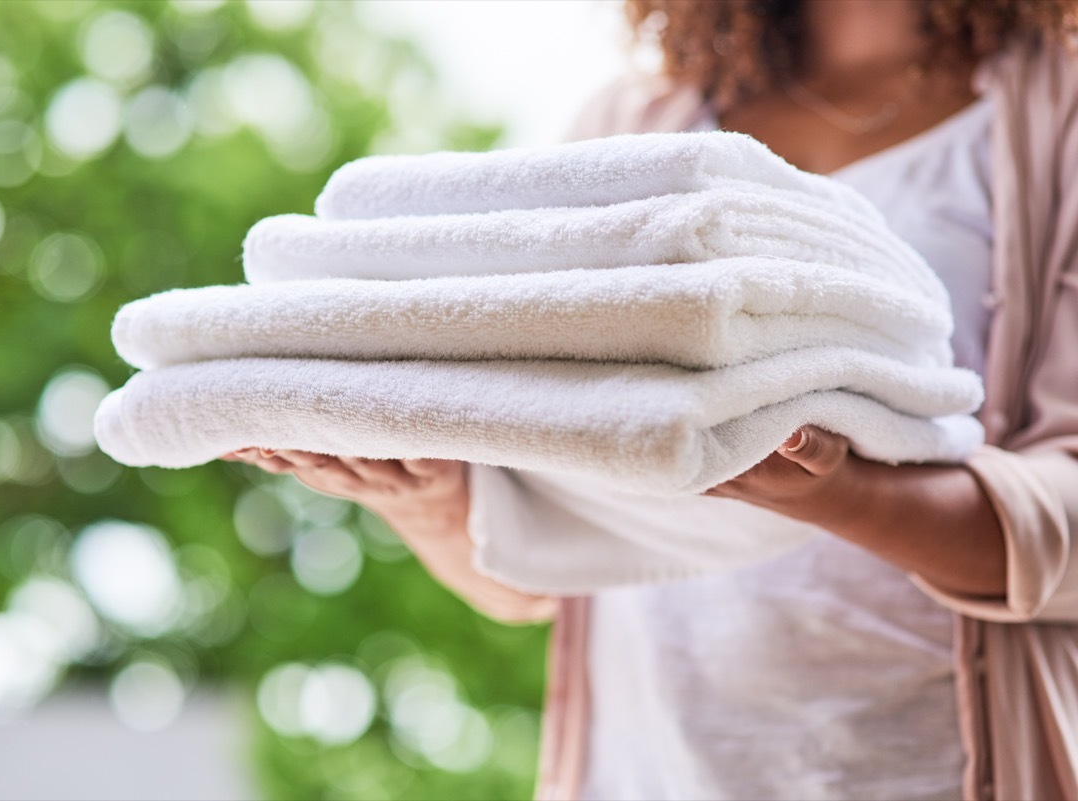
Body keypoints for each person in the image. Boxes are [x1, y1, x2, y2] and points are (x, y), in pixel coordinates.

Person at [227, 1, 1078, 798]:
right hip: (644, 771)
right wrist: (429, 495)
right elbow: (536, 577)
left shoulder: (1057, 110)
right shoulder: (633, 125)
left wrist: (843, 493)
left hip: (935, 767)